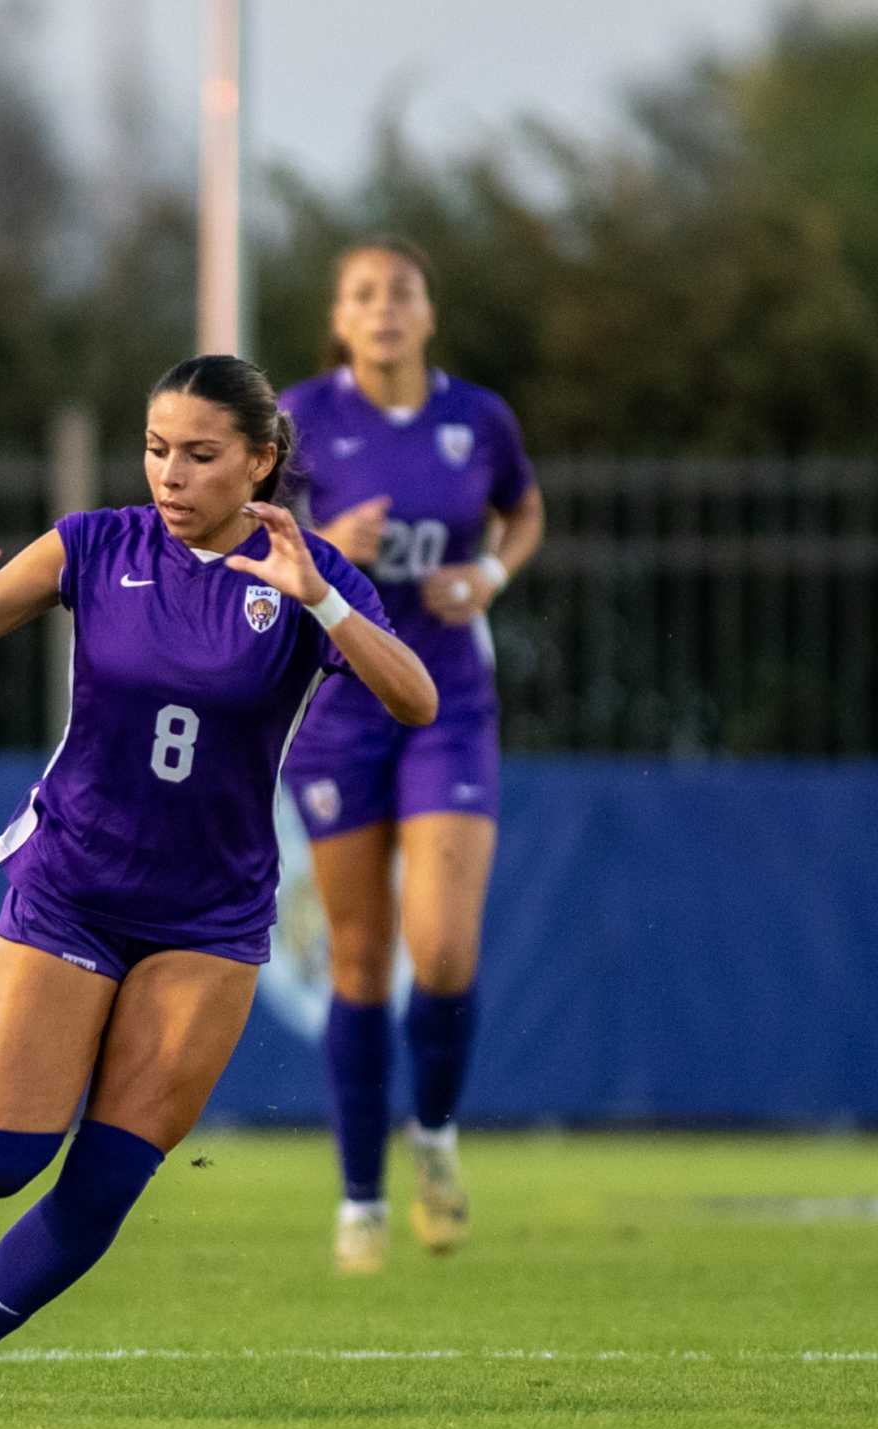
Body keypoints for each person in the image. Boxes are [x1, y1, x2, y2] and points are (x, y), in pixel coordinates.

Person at [0, 355, 437, 1409]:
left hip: (210, 913)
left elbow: (412, 698)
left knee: (106, 1177)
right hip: (75, 883)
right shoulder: (95, 544)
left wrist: (321, 600)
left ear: (260, 462)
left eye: (199, 454)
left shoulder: (304, 568)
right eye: (154, 450)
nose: (169, 475)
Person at [276, 236, 545, 1275]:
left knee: (439, 950)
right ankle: (358, 1203)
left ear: (429, 313)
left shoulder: (476, 418)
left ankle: (431, 1133)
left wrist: (489, 574)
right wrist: (327, 535)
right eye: (362, 294)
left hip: (450, 706)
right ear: (339, 320)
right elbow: (255, 542)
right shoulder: (300, 420)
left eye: (401, 292)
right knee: (355, 956)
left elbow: (523, 510)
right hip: (340, 710)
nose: (383, 308)